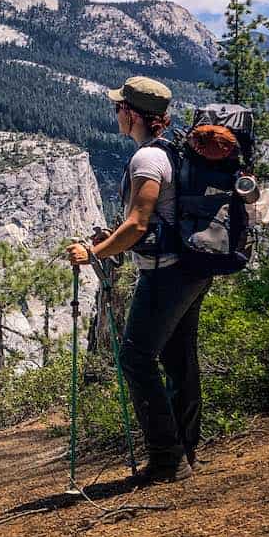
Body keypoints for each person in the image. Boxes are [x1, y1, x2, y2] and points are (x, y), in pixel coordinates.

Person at [66, 76, 212, 483]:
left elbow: (137, 224)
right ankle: (186, 450)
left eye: (118, 108)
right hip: (191, 268)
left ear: (131, 114)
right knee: (178, 358)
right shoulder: (172, 150)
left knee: (136, 357)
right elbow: (148, 223)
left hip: (167, 274)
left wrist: (94, 251)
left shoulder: (148, 159)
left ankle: (167, 460)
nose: (115, 113)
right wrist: (111, 240)